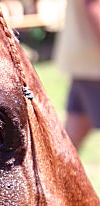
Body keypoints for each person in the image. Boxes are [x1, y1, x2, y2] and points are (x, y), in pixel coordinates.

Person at [54, 0, 100, 150]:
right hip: (94, 64)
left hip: (85, 60)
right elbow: (94, 6)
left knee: (73, 134)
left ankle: (54, 172)